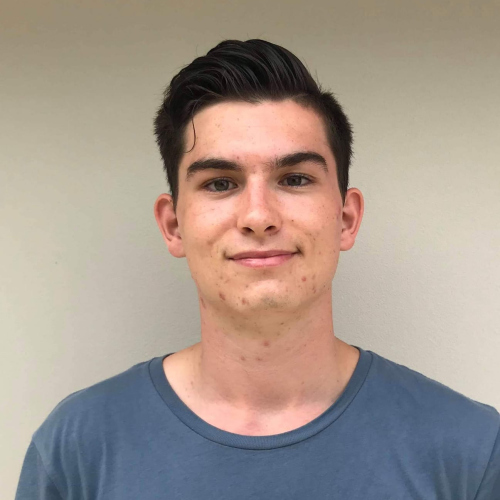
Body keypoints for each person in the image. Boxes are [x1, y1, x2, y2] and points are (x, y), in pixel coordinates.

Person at [15, 39, 499, 499]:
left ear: (346, 219)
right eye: (220, 183)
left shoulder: (472, 451)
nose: (258, 216)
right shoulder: (77, 449)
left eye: (295, 178)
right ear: (173, 225)